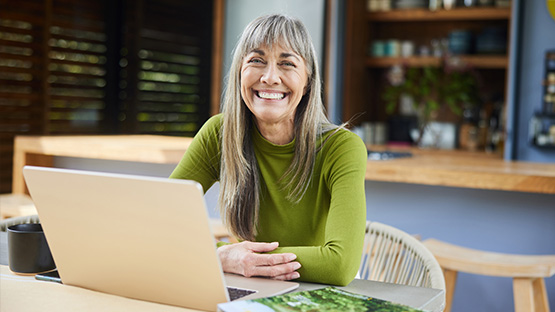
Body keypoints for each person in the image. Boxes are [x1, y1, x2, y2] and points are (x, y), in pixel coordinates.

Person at [170, 14, 367, 286]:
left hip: (314, 291)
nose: (270, 77)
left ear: (308, 80)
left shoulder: (341, 147)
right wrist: (225, 258)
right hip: (245, 287)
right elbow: (159, 224)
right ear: (240, 71)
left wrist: (238, 259)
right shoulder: (219, 132)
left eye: (287, 64)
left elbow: (338, 265)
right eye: (257, 61)